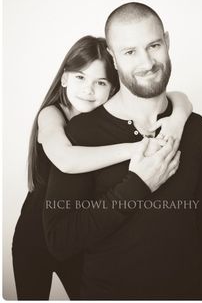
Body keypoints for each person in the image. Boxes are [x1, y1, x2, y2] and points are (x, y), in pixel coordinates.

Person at [43, 2, 202, 300]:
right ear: (114, 59)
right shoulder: (82, 134)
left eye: (153, 45)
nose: (147, 62)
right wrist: (137, 186)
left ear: (167, 42)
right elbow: (60, 241)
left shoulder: (195, 129)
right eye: (130, 52)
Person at [12, 35, 191, 300]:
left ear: (113, 88)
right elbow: (66, 159)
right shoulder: (52, 114)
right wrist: (136, 149)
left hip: (75, 236)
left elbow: (178, 96)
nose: (88, 90)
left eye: (101, 82)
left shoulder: (105, 123)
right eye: (80, 78)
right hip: (34, 237)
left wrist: (178, 118)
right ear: (64, 79)